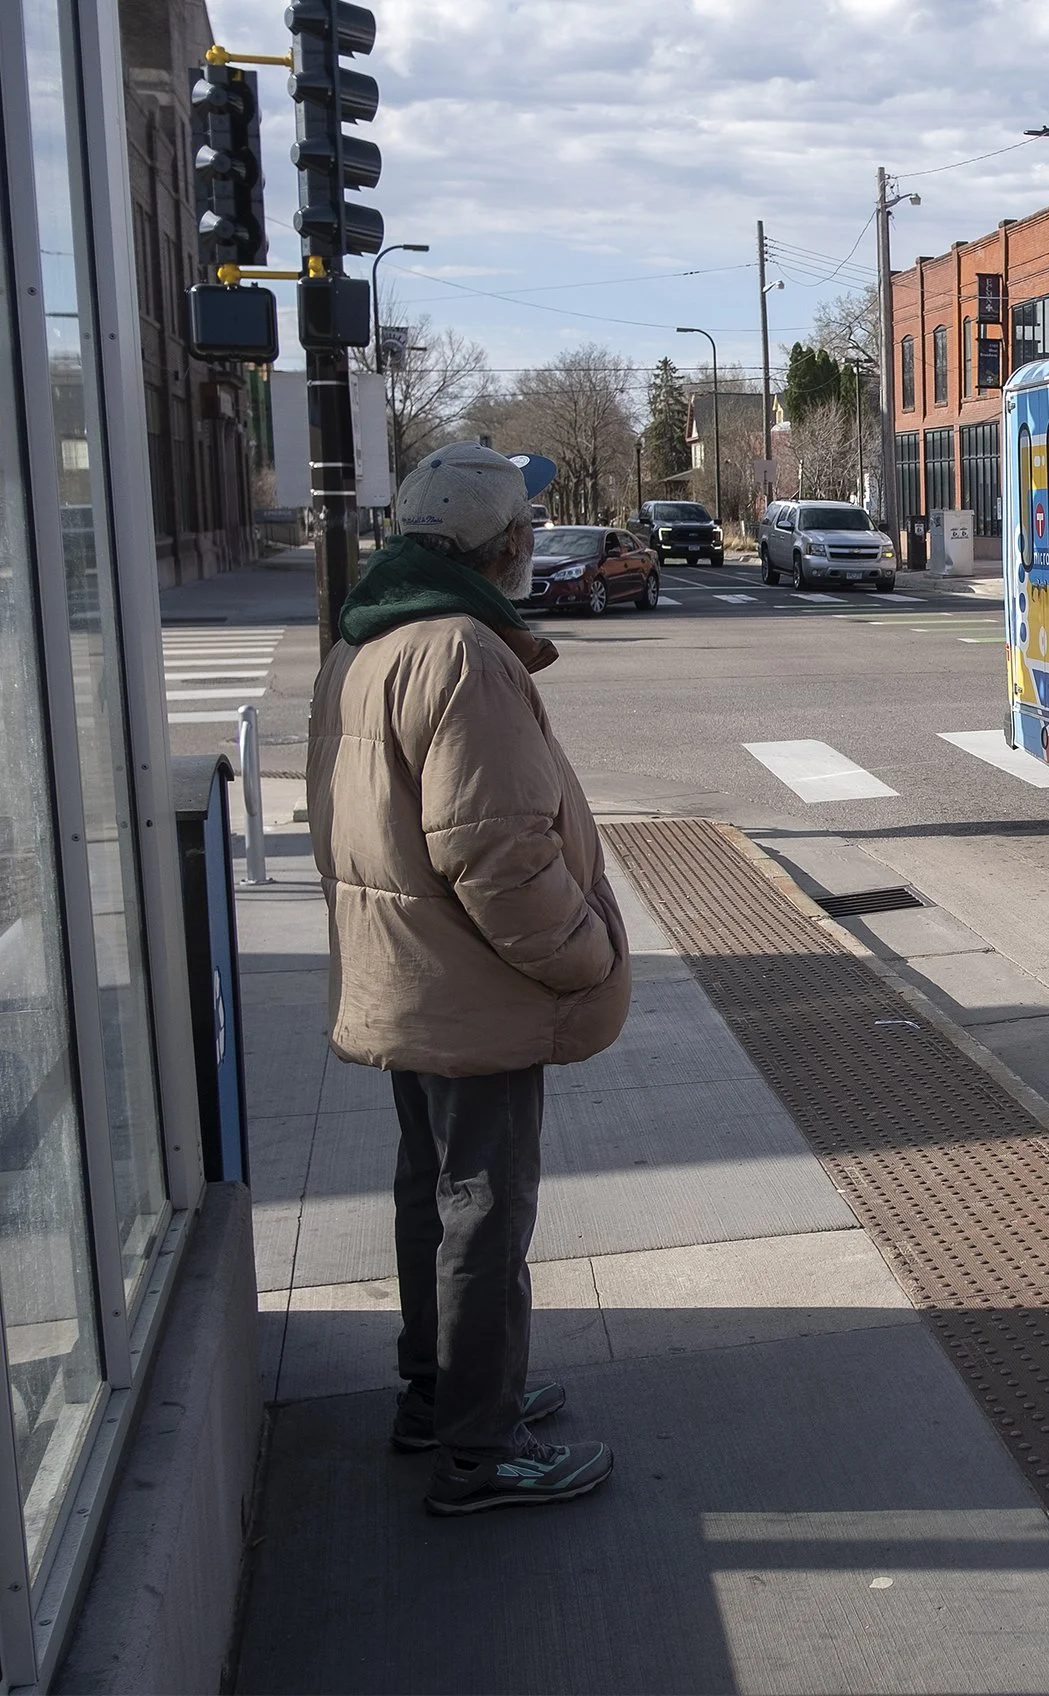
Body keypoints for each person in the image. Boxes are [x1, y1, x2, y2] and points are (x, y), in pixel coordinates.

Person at [307, 443, 629, 1515]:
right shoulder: (461, 653)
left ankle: (439, 1395)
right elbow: (499, 856)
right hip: (473, 982)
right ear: (507, 545)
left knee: (432, 1197)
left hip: (405, 974)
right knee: (484, 1214)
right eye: (529, 527)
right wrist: (587, 953)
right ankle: (478, 1448)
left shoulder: (366, 642)